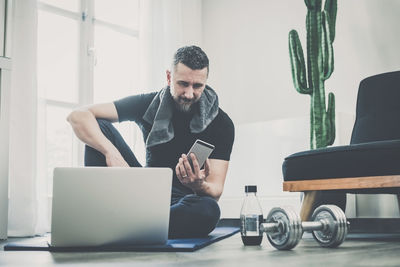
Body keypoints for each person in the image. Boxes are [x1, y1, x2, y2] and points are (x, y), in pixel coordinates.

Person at [67, 45, 235, 238]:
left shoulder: (222, 123)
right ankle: (141, 223)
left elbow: (215, 191)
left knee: (209, 210)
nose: (189, 94)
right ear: (169, 77)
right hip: (142, 190)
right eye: (183, 84)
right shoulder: (148, 103)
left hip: (182, 201)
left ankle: (125, 223)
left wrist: (198, 185)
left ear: (205, 82)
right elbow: (78, 115)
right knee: (98, 126)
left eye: (197, 86)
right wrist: (110, 153)